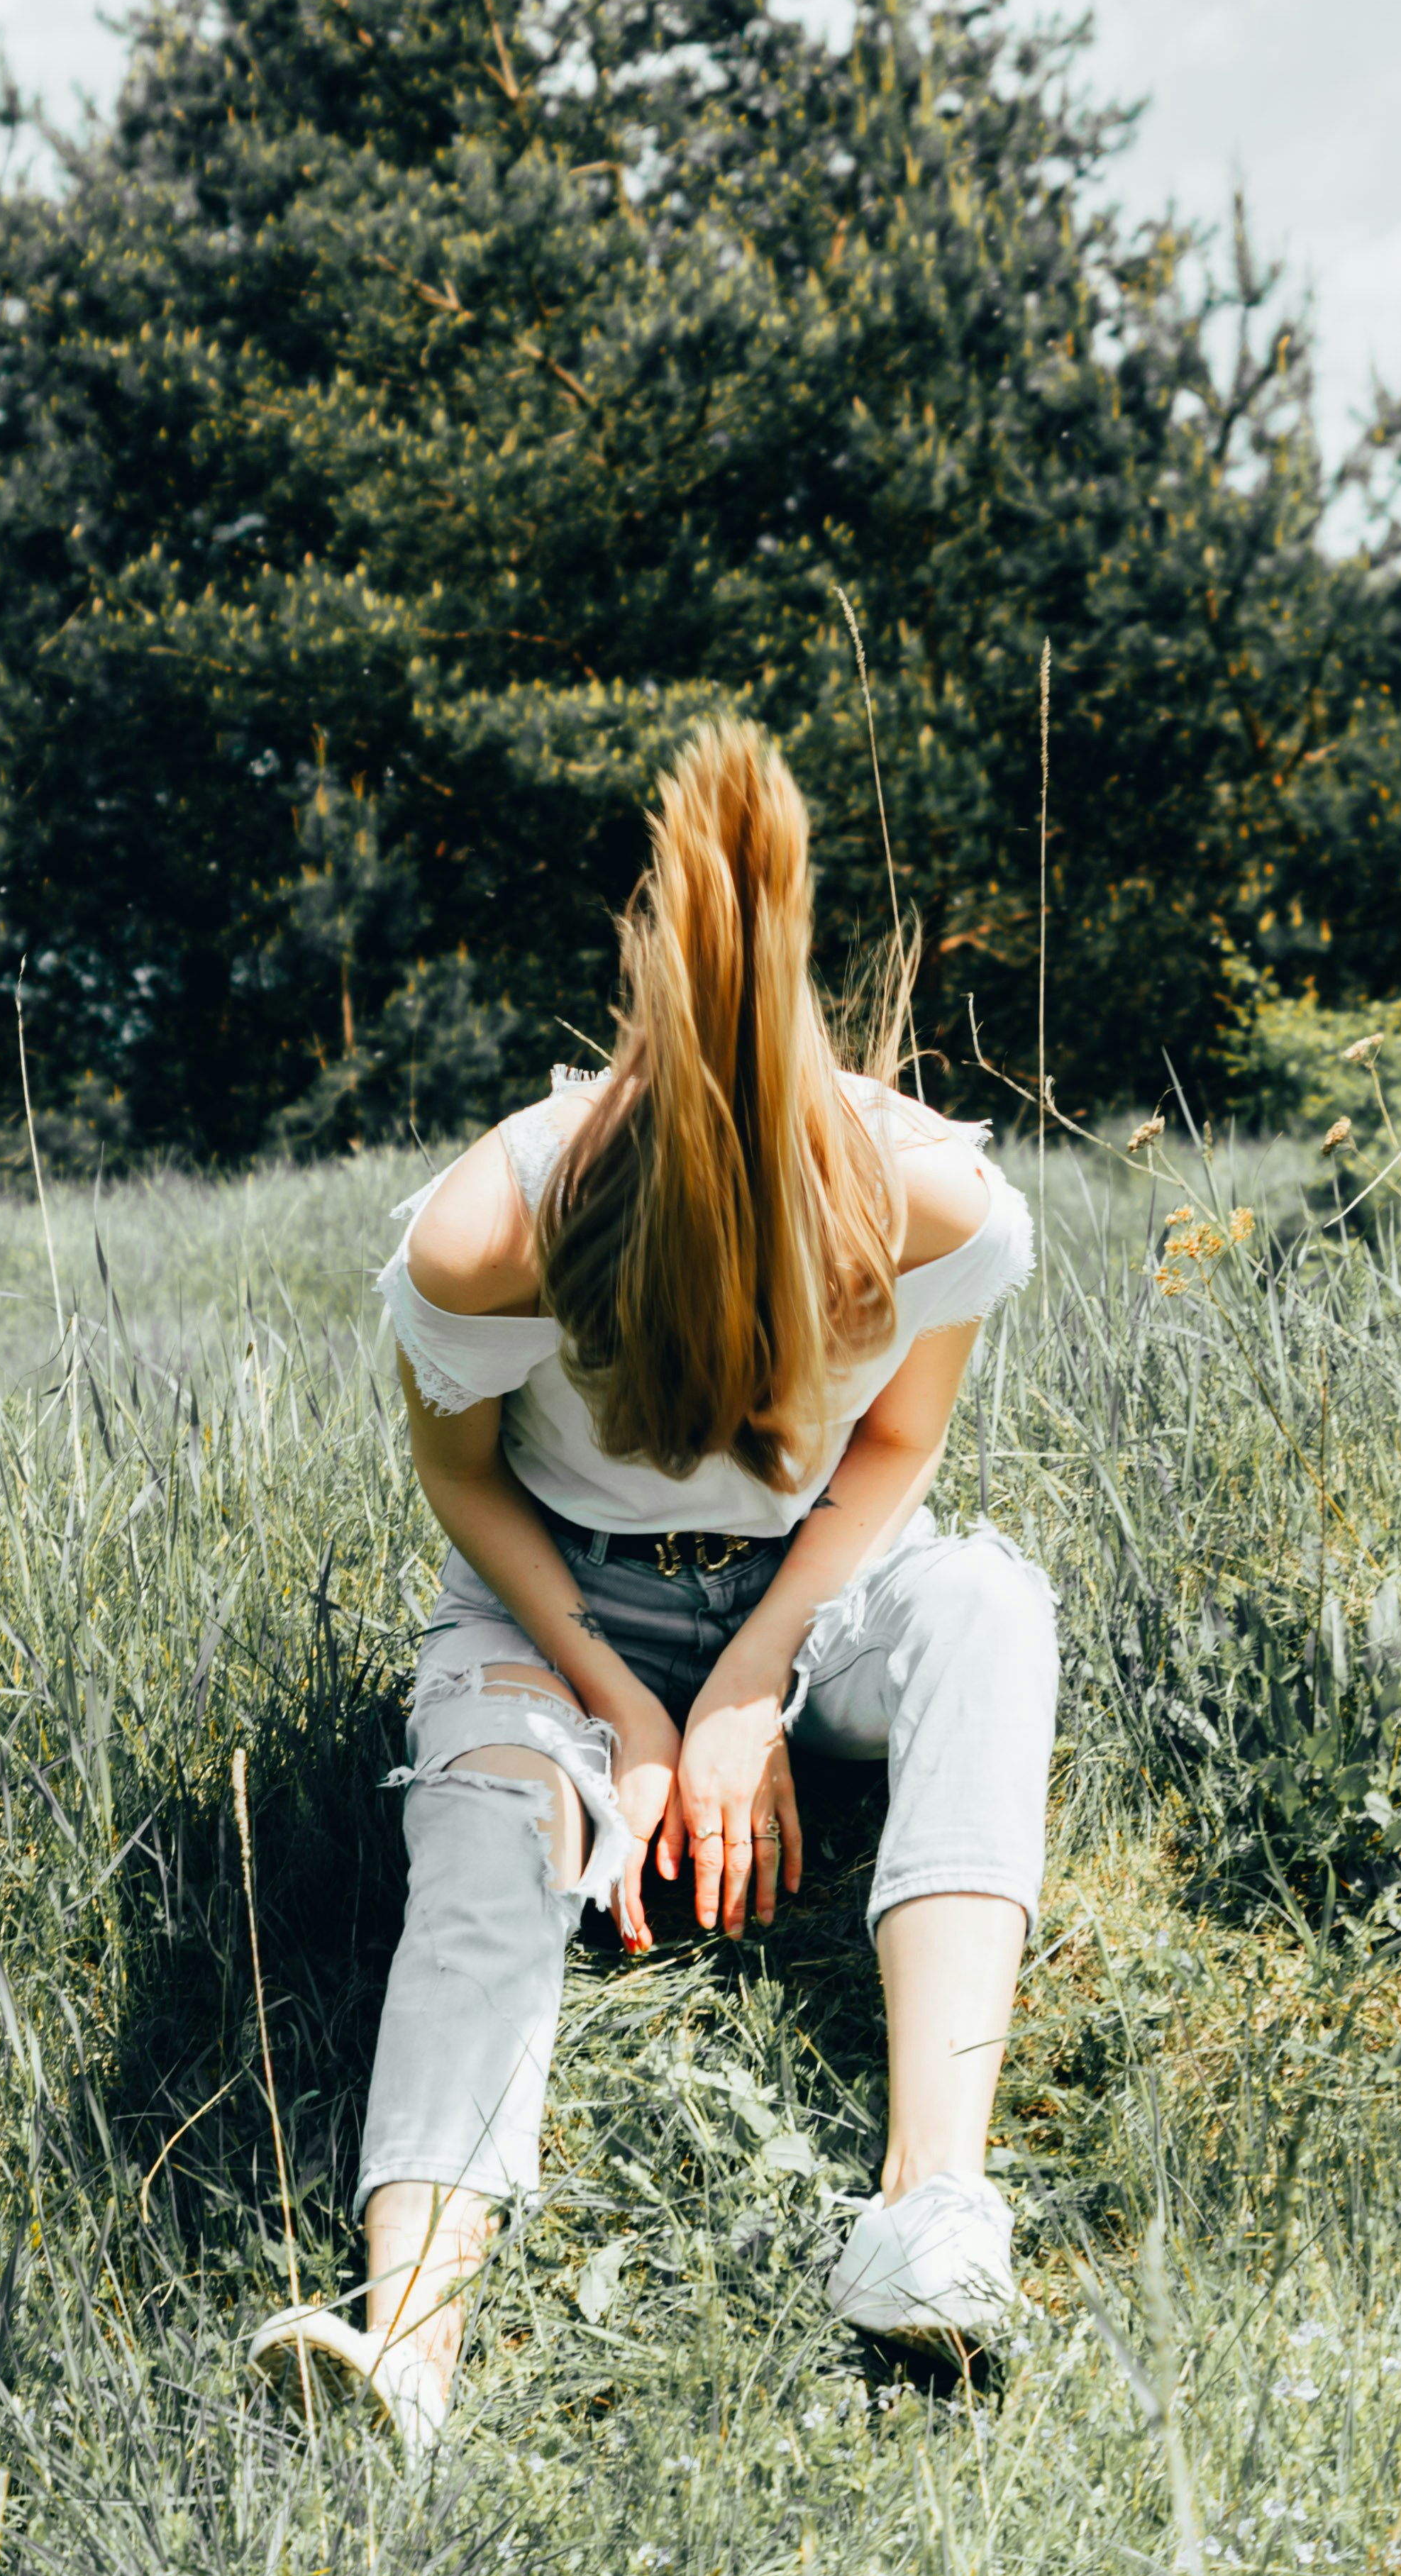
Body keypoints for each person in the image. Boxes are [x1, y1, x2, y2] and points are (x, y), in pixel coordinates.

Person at [250, 722, 1057, 2453]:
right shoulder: (491, 1231)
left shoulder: (929, 1206)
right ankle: (407, 2340)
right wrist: (620, 1705)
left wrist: (754, 1678)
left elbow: (894, 1458)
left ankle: (930, 2214)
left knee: (991, 1608)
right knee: (479, 1835)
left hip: (816, 1592)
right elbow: (463, 1475)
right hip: (559, 1603)